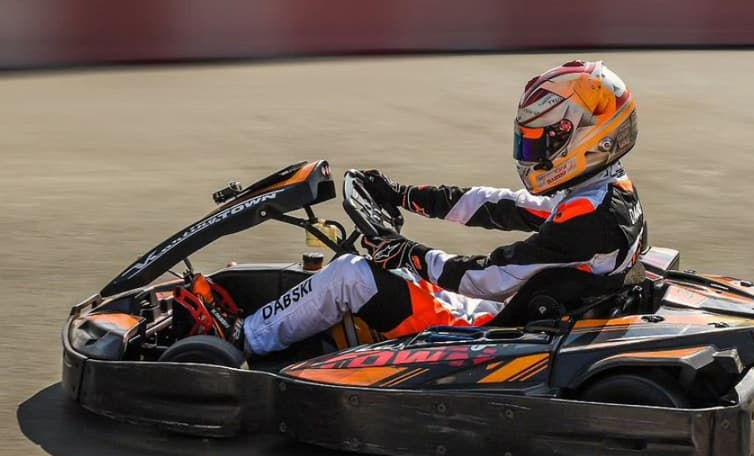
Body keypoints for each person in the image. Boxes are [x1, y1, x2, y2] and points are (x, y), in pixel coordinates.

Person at [241, 59, 647, 356]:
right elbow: (500, 206)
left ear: (588, 139)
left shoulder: (590, 219)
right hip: (529, 314)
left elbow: (490, 278)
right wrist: (403, 195)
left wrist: (407, 254)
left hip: (490, 335)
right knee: (390, 266)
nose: (531, 155)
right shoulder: (608, 195)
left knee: (351, 275)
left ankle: (240, 345)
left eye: (538, 143)